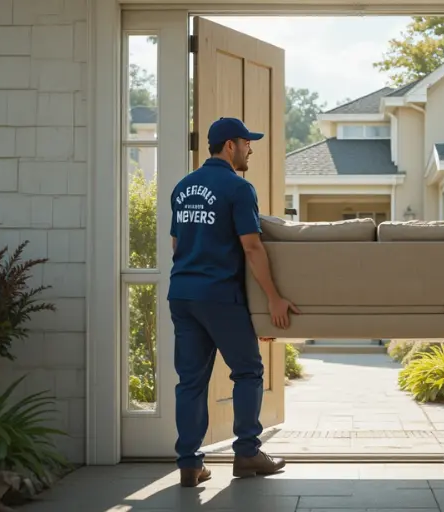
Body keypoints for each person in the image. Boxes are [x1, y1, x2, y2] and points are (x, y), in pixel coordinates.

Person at [168, 117, 300, 486]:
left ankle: (190, 464)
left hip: (182, 294)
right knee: (247, 371)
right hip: (219, 296)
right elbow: (252, 246)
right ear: (230, 146)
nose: (250, 149)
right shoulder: (238, 188)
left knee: (190, 381)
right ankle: (246, 454)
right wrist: (274, 298)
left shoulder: (182, 188)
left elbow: (177, 245)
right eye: (246, 142)